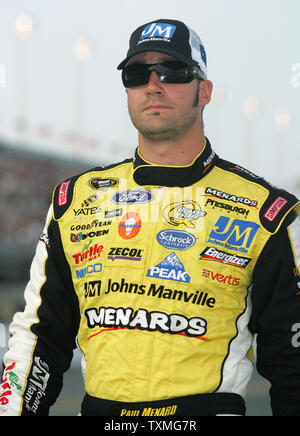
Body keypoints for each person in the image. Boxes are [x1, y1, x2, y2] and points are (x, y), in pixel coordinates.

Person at [1, 18, 300, 417]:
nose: (153, 84)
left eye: (173, 71)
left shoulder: (266, 212)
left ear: (205, 90)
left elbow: (292, 365)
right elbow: (38, 337)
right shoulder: (74, 202)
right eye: (137, 73)